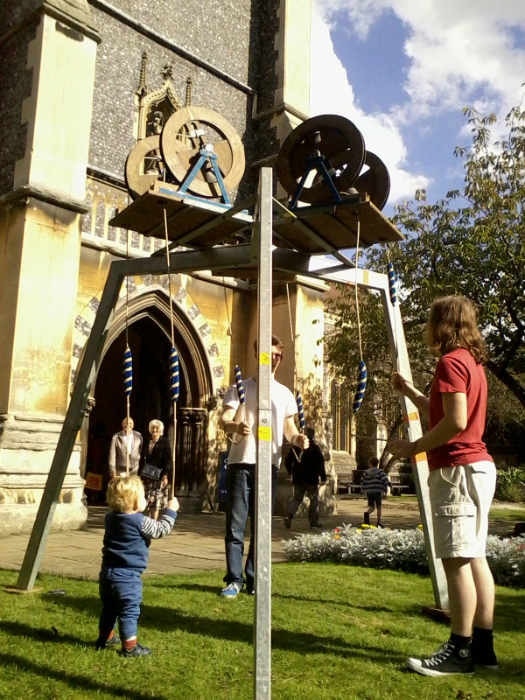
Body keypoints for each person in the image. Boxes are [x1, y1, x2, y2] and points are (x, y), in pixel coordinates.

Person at [389, 296, 497, 677]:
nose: (427, 329)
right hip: (479, 467)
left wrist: (412, 448)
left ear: (442, 325)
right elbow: (448, 412)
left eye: (431, 321)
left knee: (455, 561)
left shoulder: (449, 362)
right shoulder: (472, 363)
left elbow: (454, 422)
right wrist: (410, 391)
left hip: (456, 470)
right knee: (476, 558)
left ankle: (459, 651)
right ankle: (482, 649)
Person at [219, 334, 309, 598]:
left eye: (278, 355)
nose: (274, 360)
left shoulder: (284, 394)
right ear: (259, 355)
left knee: (262, 527)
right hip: (241, 463)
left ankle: (254, 578)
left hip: (267, 465)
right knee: (236, 525)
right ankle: (234, 579)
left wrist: (297, 439)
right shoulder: (240, 387)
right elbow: (224, 417)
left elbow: (289, 429)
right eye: (269, 355)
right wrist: (235, 425)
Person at [96, 475, 178, 657]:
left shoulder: (110, 518)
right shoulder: (139, 521)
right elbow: (161, 530)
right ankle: (130, 647)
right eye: (142, 497)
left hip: (106, 575)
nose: (145, 500)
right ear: (134, 504)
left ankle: (105, 637)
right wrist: (171, 511)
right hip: (128, 578)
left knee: (109, 609)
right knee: (129, 611)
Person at [284, 426, 327, 529]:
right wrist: (323, 476)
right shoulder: (315, 448)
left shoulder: (295, 448)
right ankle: (313, 522)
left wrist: (290, 471)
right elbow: (320, 462)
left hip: (298, 477)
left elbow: (287, 461)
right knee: (314, 500)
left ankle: (289, 515)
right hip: (311, 478)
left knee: (297, 498)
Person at [139, 419, 173, 520]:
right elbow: (142, 457)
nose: (154, 430)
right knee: (146, 500)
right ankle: (147, 521)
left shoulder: (165, 442)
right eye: (153, 428)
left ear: (160, 430)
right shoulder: (147, 440)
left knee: (155, 501)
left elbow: (167, 460)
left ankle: (154, 522)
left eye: (156, 428)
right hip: (146, 475)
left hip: (158, 476)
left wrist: (166, 475)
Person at [360, 456, 391, 527]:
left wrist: (363, 488)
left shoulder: (366, 472)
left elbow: (362, 480)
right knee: (379, 507)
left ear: (370, 464)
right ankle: (379, 522)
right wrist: (389, 485)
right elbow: (385, 479)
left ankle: (367, 513)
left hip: (369, 491)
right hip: (377, 491)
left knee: (372, 507)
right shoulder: (380, 472)